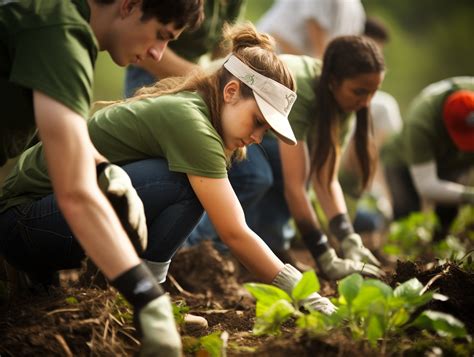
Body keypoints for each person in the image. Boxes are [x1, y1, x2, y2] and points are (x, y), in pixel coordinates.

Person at [0, 22, 338, 331]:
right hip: (22, 223)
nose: (258, 138)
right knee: (185, 186)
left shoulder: (196, 110)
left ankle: (131, 297)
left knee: (183, 183)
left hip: (41, 219)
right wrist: (306, 294)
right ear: (231, 91)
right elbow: (235, 233)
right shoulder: (191, 124)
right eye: (258, 122)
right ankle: (147, 302)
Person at [0, 0, 204, 355]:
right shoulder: (58, 33)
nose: (158, 54)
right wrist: (146, 297)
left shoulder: (61, 22)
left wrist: (103, 169)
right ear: (128, 5)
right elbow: (75, 194)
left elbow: (68, 137)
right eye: (160, 35)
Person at [188, 35, 386, 280]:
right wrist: (325, 256)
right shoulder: (302, 88)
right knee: (256, 176)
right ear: (334, 81)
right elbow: (296, 187)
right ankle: (195, 251)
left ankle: (272, 249)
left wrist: (349, 239)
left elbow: (326, 180)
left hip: (255, 128)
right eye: (359, 91)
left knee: (289, 173)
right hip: (220, 109)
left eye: (372, 93)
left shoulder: (346, 108)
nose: (366, 102)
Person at [381, 77, 474, 241]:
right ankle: (408, 255)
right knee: (407, 214)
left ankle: (440, 245)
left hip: (451, 162)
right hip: (402, 161)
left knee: (447, 214)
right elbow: (427, 185)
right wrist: (469, 195)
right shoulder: (421, 123)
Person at [124, 0, 246, 98]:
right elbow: (140, 45)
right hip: (151, 73)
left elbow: (223, 46)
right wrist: (205, 78)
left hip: (195, 77)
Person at [257, 0, 365, 59]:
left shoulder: (356, 10)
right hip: (268, 54)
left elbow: (321, 58)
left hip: (277, 61)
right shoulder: (358, 10)